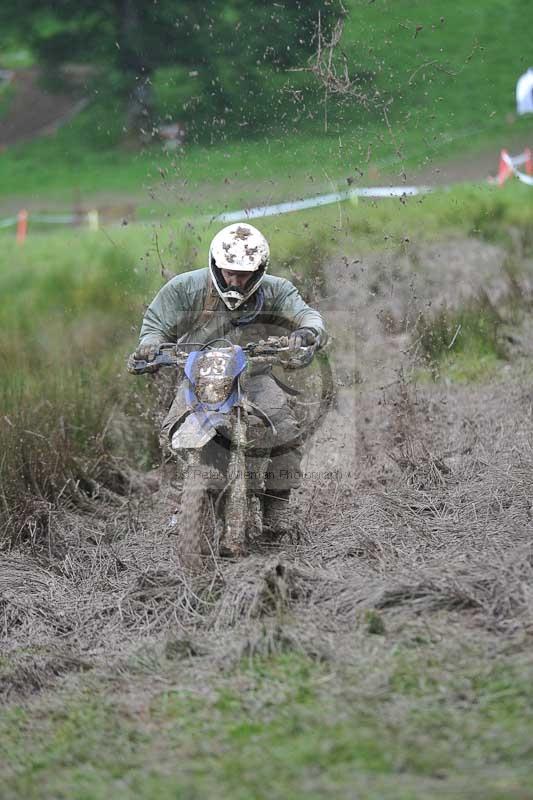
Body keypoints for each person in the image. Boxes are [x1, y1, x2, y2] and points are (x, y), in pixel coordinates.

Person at [128, 222, 327, 535]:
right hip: (201, 375)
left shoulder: (276, 290)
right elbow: (155, 325)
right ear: (215, 265)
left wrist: (306, 332)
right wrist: (150, 345)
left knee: (284, 428)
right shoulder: (185, 288)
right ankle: (187, 497)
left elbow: (306, 315)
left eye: (243, 274)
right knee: (176, 426)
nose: (234, 279)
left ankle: (276, 504)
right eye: (228, 272)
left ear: (260, 270)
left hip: (255, 377)